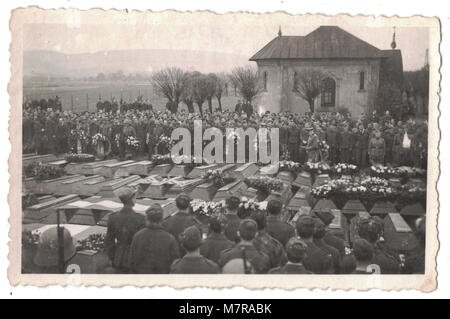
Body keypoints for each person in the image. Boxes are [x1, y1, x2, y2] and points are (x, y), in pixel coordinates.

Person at [129, 203, 180, 274]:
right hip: (162, 279)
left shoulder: (138, 236)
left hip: (143, 279)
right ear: (162, 219)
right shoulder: (170, 238)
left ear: (147, 219)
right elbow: (175, 263)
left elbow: (132, 261)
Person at [104, 187, 145, 273]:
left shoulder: (113, 217)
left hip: (118, 258)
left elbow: (109, 241)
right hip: (135, 258)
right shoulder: (140, 218)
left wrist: (114, 256)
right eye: (134, 197)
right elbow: (142, 243)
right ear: (131, 200)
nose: (135, 199)